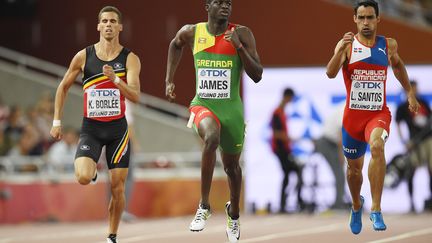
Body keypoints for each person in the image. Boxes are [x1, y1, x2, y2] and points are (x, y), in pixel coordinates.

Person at [164, 0, 262, 241]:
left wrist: (239, 48)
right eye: (219, 2)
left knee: (232, 168)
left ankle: (234, 213)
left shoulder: (242, 33)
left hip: (232, 111)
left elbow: (257, 75)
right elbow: (175, 45)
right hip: (203, 105)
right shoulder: (192, 32)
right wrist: (169, 79)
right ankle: (204, 205)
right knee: (211, 138)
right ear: (207, 6)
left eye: (229, 2)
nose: (226, 6)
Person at [326, 0, 420, 235]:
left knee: (377, 146)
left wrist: (409, 92)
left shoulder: (388, 45)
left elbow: (398, 67)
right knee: (353, 171)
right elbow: (330, 73)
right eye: (361, 17)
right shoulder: (347, 45)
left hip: (377, 114)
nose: (366, 22)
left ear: (378, 19)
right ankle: (357, 205)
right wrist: (339, 50)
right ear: (355, 20)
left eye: (370, 17)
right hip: (352, 120)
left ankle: (376, 208)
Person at [50, 6, 141, 243]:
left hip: (117, 131)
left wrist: (115, 81)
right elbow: (63, 87)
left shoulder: (129, 58)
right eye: (104, 21)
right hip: (91, 128)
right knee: (82, 176)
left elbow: (136, 96)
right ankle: (91, 172)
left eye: (113, 21)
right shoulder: (84, 56)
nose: (109, 24)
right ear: (98, 26)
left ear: (120, 27)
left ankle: (112, 235)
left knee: (117, 188)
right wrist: (57, 121)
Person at [396, 80, 432, 211]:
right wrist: (404, 142)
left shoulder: (424, 103)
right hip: (413, 143)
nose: (415, 91)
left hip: (428, 140)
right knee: (411, 171)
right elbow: (398, 125)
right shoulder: (402, 107)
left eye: (416, 88)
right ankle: (411, 203)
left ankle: (430, 200)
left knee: (431, 170)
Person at [270, 88, 304, 213]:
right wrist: (289, 138)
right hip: (281, 149)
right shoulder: (277, 112)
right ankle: (295, 203)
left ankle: (285, 204)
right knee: (295, 172)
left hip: (284, 149)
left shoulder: (282, 112)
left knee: (288, 175)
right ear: (287, 97)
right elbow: (276, 133)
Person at [314, 102, 347, 210]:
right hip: (327, 143)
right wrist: (341, 154)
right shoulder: (345, 109)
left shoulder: (343, 107)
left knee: (340, 174)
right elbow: (340, 132)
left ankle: (340, 201)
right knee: (339, 174)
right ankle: (338, 204)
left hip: (328, 142)